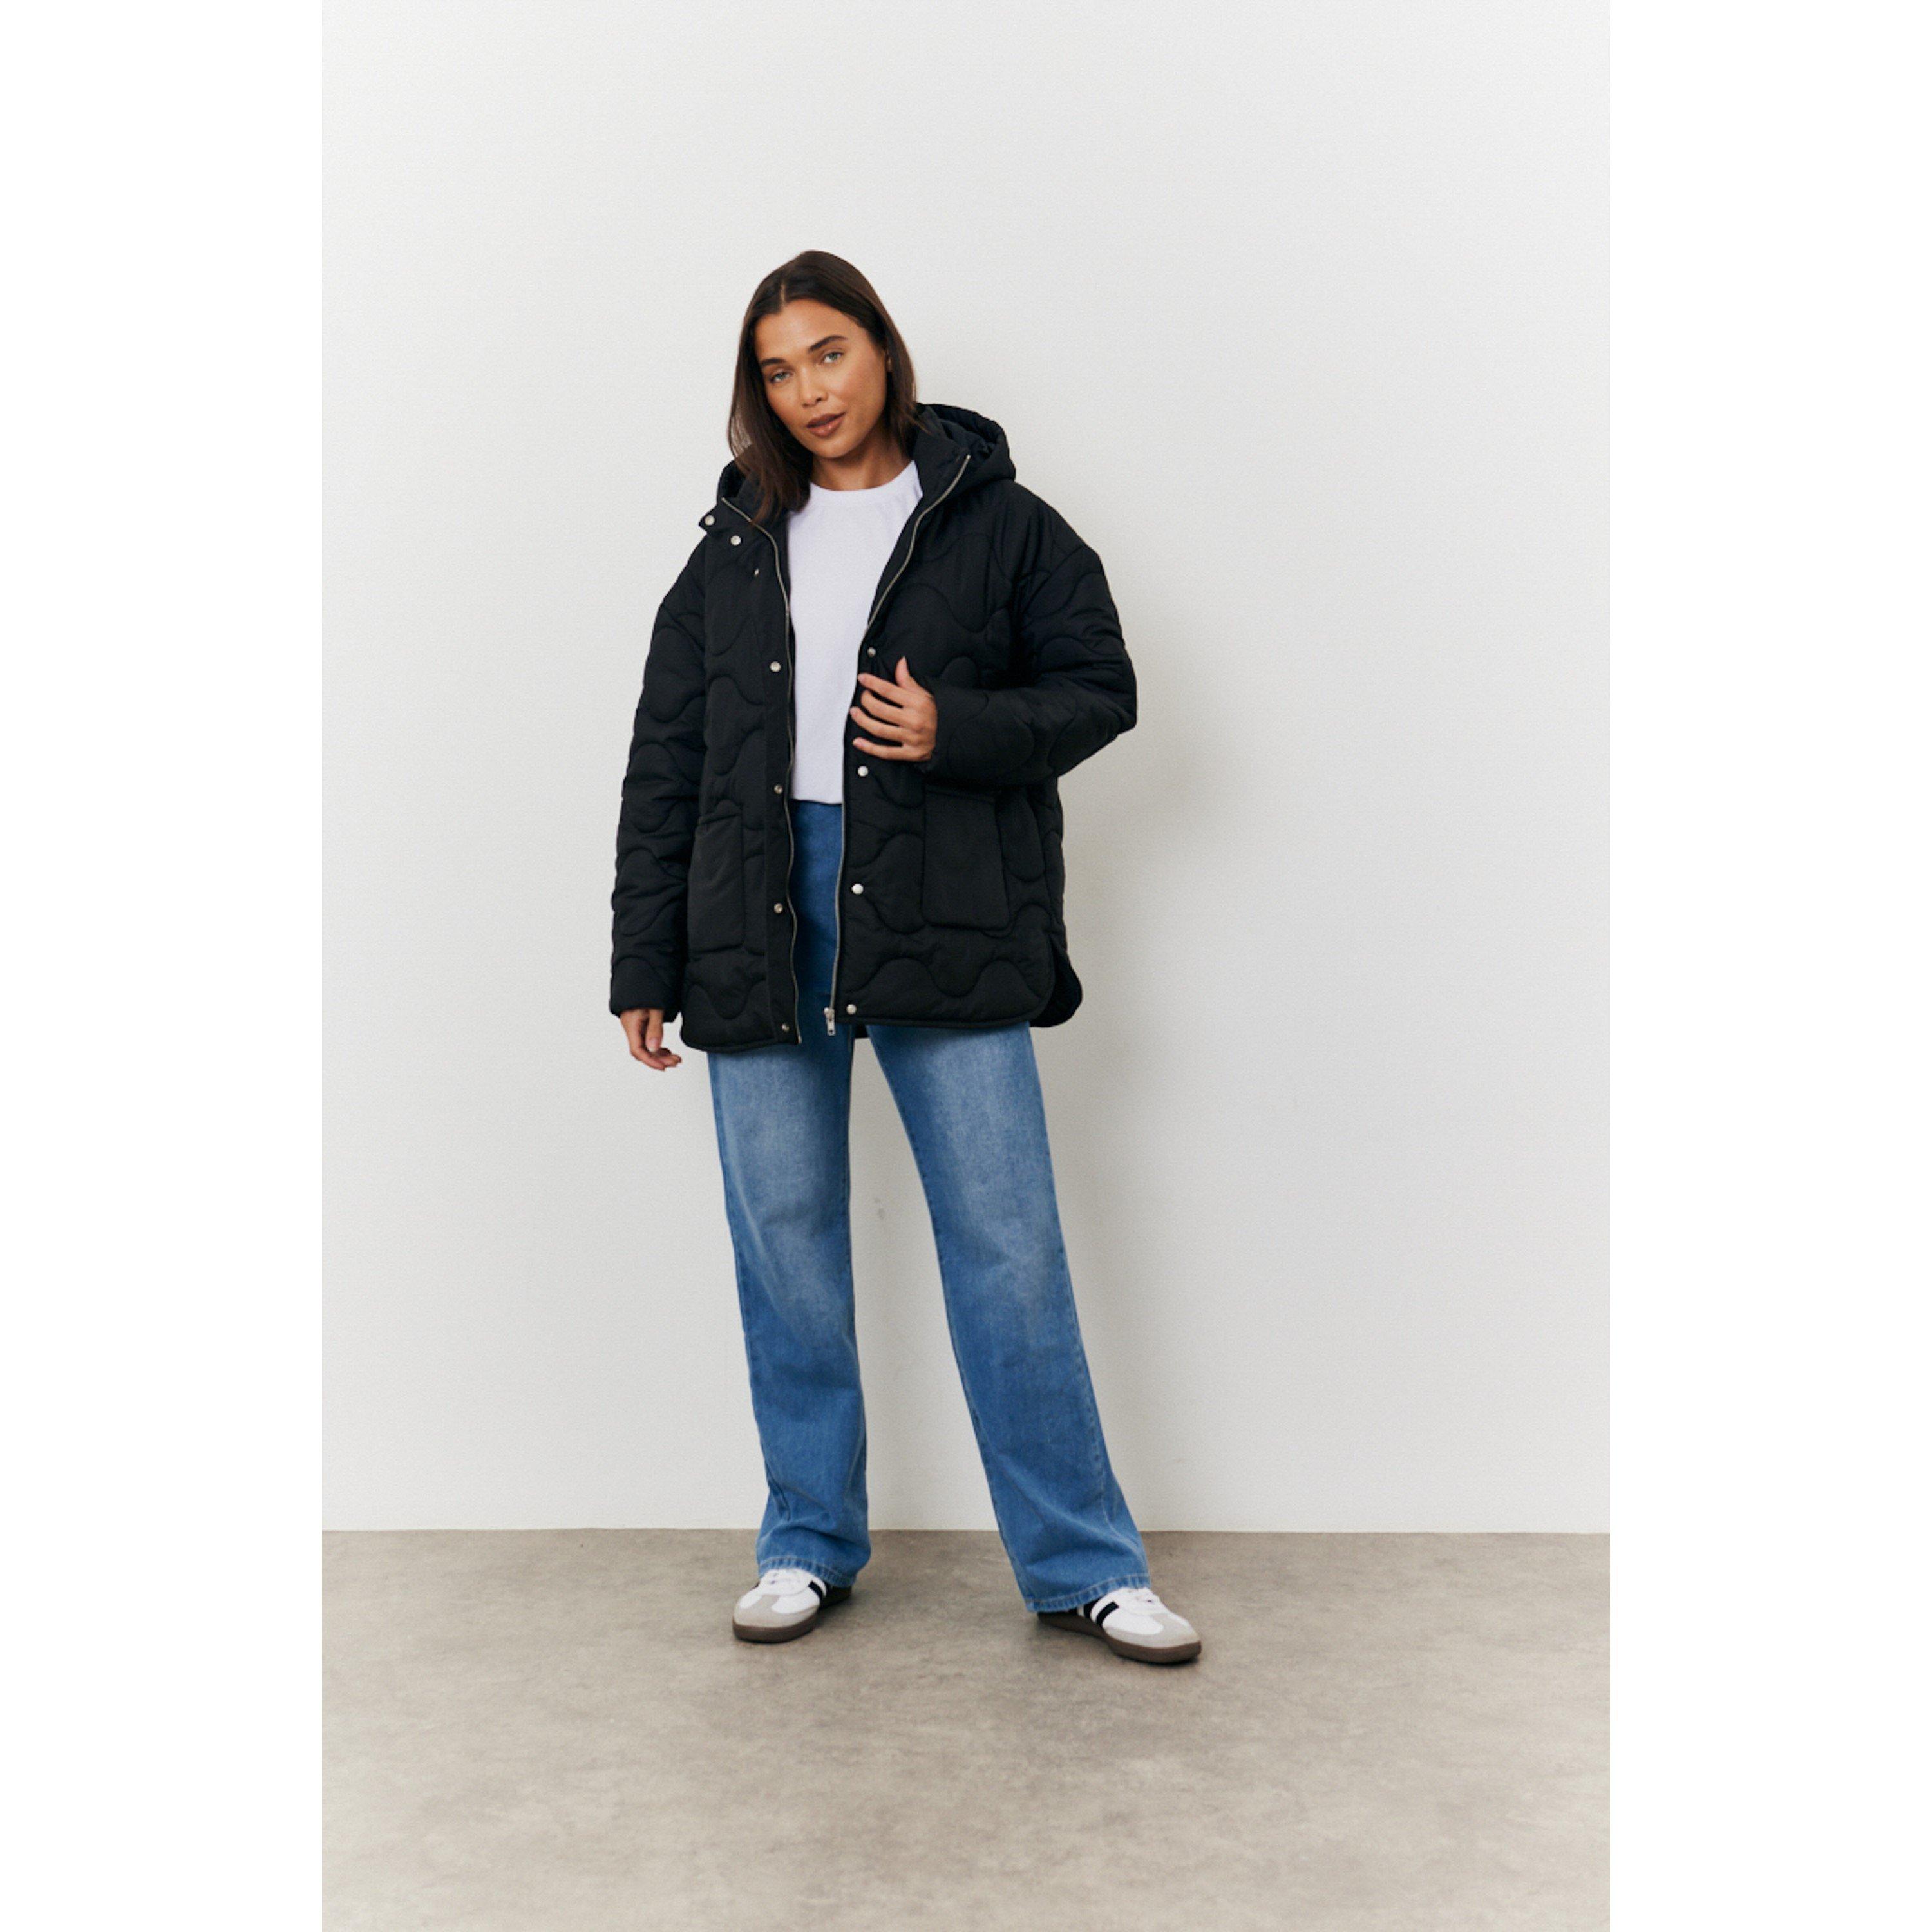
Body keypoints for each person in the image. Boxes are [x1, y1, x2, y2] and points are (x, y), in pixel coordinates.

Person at [609, 251, 1200, 1666]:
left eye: (829, 353)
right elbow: (668, 759)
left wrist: (959, 731)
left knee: (1007, 1242)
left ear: (882, 349)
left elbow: (1102, 687)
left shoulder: (1002, 525)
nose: (809, 391)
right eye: (777, 371)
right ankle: (806, 1540)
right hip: (758, 910)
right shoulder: (735, 544)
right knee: (787, 1244)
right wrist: (644, 957)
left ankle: (1083, 1564)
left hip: (945, 900)